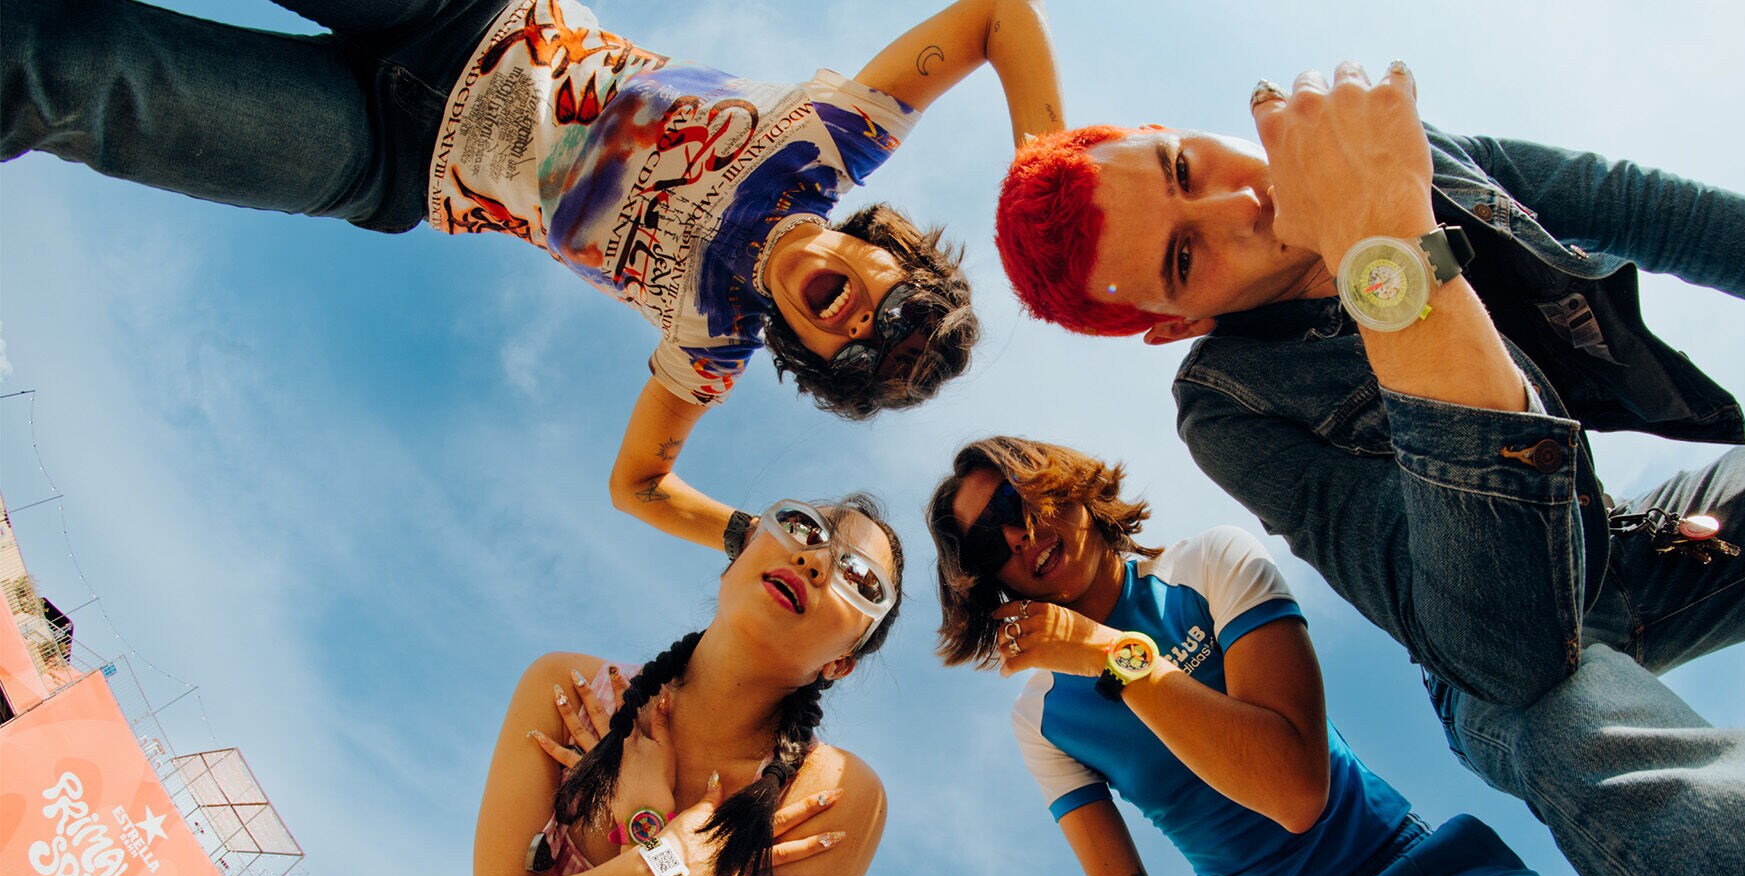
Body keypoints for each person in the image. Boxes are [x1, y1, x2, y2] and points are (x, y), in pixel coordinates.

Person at [991, 64, 1745, 876]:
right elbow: (1501, 644)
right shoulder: (1226, 408)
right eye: (1185, 259)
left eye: (1185, 170)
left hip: (1623, 535)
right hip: (1487, 656)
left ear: (1172, 126)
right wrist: (1380, 253)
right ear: (1173, 324)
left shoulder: (1412, 157)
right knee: (1583, 737)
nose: (1243, 212)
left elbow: (1650, 210)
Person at [2, 0, 1065, 553]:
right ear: (893, 250)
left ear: (818, 356)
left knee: (73, 80)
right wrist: (1048, 171)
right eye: (906, 305)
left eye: (870, 355)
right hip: (473, 15)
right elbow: (992, 19)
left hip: (386, 156)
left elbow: (636, 484)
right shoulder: (830, 143)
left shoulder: (714, 341)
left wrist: (741, 530)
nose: (874, 319)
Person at [927, 436, 1554, 876]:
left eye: (1014, 499)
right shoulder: (1043, 719)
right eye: (986, 543)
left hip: (1419, 874)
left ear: (1061, 482)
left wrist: (1108, 655)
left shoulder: (1212, 564)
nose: (1014, 535)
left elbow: (1295, 793)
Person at [473, 494, 903, 876]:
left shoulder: (832, 792)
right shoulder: (569, 693)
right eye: (802, 526)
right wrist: (670, 872)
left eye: (858, 577)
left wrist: (646, 834)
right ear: (737, 558)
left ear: (842, 663)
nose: (815, 560)